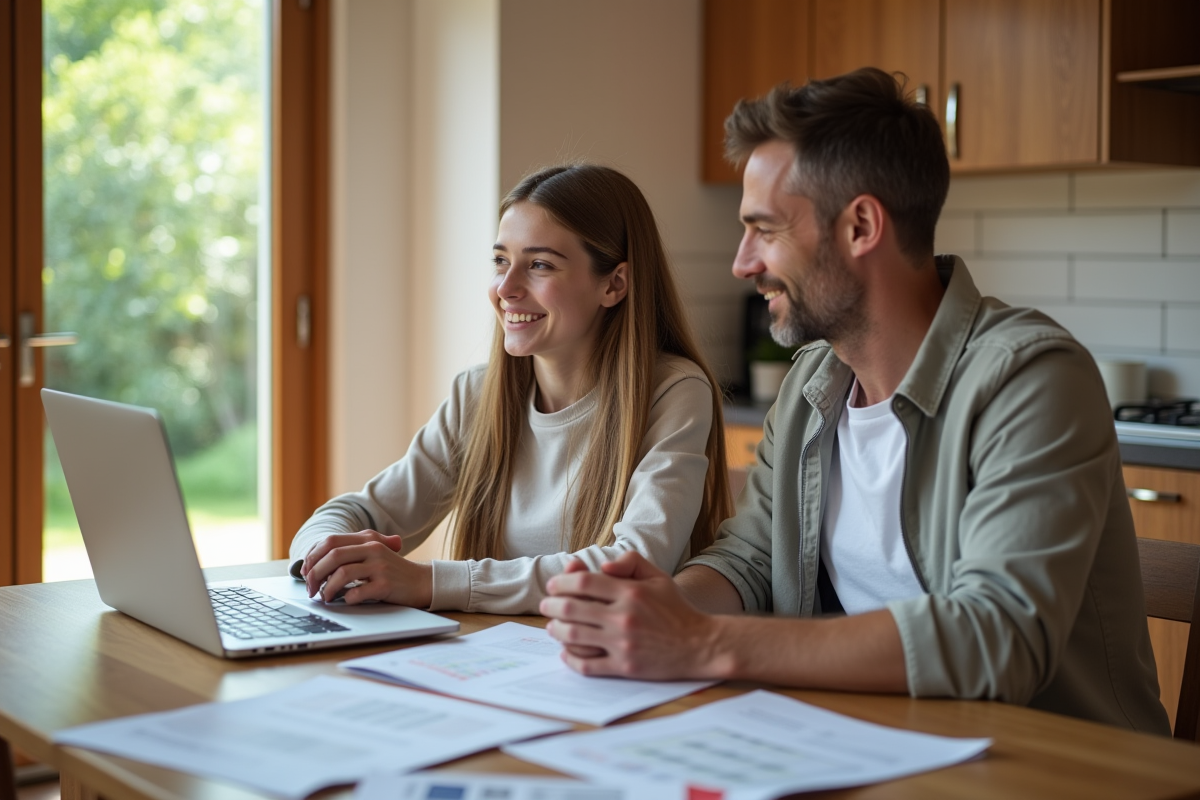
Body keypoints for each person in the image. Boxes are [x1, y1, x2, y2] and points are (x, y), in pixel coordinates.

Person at [541, 68, 1171, 734]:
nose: (742, 262)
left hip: (1052, 767)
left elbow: (998, 637)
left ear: (861, 226)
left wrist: (701, 643)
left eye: (766, 230)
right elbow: (750, 561)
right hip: (873, 745)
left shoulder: (1028, 379)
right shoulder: (815, 381)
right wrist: (661, 607)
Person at [290, 164, 732, 615]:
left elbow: (635, 564)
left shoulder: (674, 392)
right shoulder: (479, 395)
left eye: (539, 265)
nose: (505, 288)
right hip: (495, 656)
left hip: (610, 663)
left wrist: (430, 581)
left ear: (614, 284)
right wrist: (322, 557)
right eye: (501, 260)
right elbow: (364, 511)